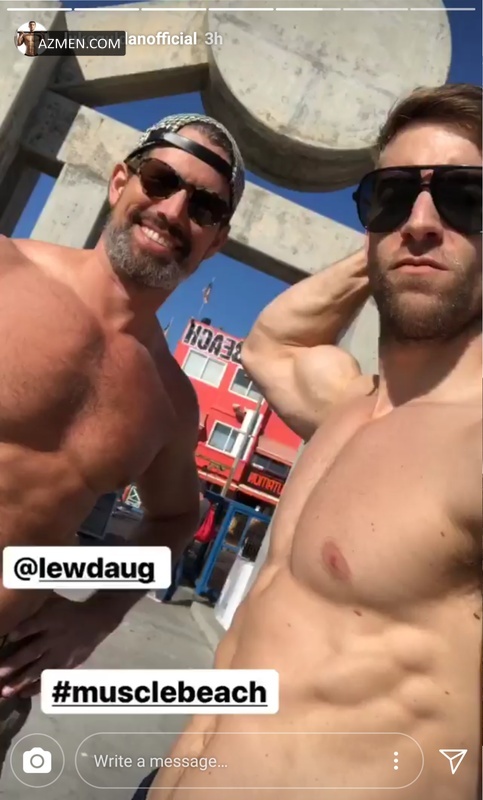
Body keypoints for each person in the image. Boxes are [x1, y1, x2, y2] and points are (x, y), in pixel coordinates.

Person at [140, 84, 482, 800]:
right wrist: (394, 244)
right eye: (391, 197)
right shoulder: (346, 407)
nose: (421, 222)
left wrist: (411, 230)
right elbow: (270, 343)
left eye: (466, 197)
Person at [0, 113, 245, 772]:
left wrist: (97, 615)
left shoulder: (170, 401)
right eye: (161, 179)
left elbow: (177, 516)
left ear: (215, 242)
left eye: (203, 207)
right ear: (119, 182)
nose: (173, 210)